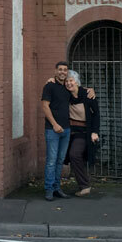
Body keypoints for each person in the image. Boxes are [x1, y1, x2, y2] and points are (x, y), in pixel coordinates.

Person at [41, 63, 96, 201]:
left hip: (69, 131)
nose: (63, 72)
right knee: (52, 161)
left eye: (65, 70)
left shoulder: (73, 90)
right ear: (56, 71)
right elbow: (45, 106)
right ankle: (49, 189)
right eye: (60, 70)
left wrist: (91, 89)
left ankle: (57, 188)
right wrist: (54, 125)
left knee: (60, 161)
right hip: (54, 130)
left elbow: (80, 93)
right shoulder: (51, 86)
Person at [63, 70, 100, 197]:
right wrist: (50, 80)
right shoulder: (65, 95)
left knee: (74, 154)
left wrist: (95, 131)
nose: (69, 83)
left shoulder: (87, 94)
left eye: (71, 80)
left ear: (77, 82)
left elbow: (96, 114)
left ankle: (84, 186)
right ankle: (83, 185)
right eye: (66, 81)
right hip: (69, 132)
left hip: (83, 132)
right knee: (69, 156)